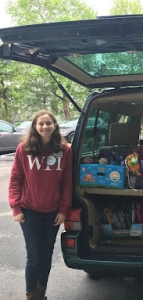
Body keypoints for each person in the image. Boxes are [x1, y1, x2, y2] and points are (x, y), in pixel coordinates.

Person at [8, 111, 73, 300]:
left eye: (48, 123)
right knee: (34, 255)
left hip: (53, 212)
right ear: (35, 127)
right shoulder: (24, 149)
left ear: (55, 125)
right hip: (29, 212)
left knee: (46, 255)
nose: (45, 127)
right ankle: (31, 294)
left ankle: (41, 292)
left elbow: (67, 183)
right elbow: (15, 180)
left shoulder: (64, 150)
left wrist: (63, 210)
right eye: (41, 124)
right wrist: (16, 208)